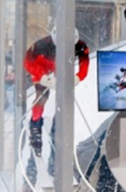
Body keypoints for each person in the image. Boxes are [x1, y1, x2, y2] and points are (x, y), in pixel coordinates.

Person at [23, 28, 90, 173]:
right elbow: (28, 62)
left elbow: (84, 65)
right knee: (42, 95)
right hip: (41, 64)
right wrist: (42, 77)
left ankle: (59, 123)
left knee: (64, 94)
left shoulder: (81, 46)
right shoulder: (41, 45)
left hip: (61, 65)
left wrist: (77, 77)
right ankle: (35, 124)